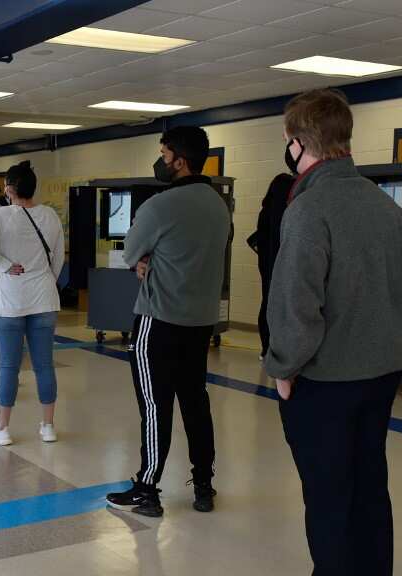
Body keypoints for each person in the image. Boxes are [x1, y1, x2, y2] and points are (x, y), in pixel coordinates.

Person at [265, 89, 402, 576]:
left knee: (329, 497)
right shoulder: (390, 209)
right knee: (369, 486)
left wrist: (284, 367)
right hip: (381, 375)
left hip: (325, 381)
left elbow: (295, 300)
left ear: (296, 142)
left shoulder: (308, 210)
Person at [106, 126, 230, 518]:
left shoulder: (160, 205)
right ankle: (204, 485)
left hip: (158, 321)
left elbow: (130, 251)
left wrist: (145, 259)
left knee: (155, 406)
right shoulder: (218, 206)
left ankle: (148, 489)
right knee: (195, 402)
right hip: (200, 323)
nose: (160, 161)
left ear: (179, 159)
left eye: (164, 154)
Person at [0, 161, 63, 445]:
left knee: (8, 366)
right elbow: (58, 258)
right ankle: (48, 427)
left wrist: (3, 263)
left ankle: (2, 428)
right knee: (44, 365)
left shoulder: (0, 215)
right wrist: (45, 280)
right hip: (44, 299)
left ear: (8, 189)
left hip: (10, 300)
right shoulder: (50, 215)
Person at [246, 173, 294, 359]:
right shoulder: (287, 211)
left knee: (267, 302)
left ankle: (266, 348)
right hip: (279, 266)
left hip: (267, 265)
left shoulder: (266, 210)